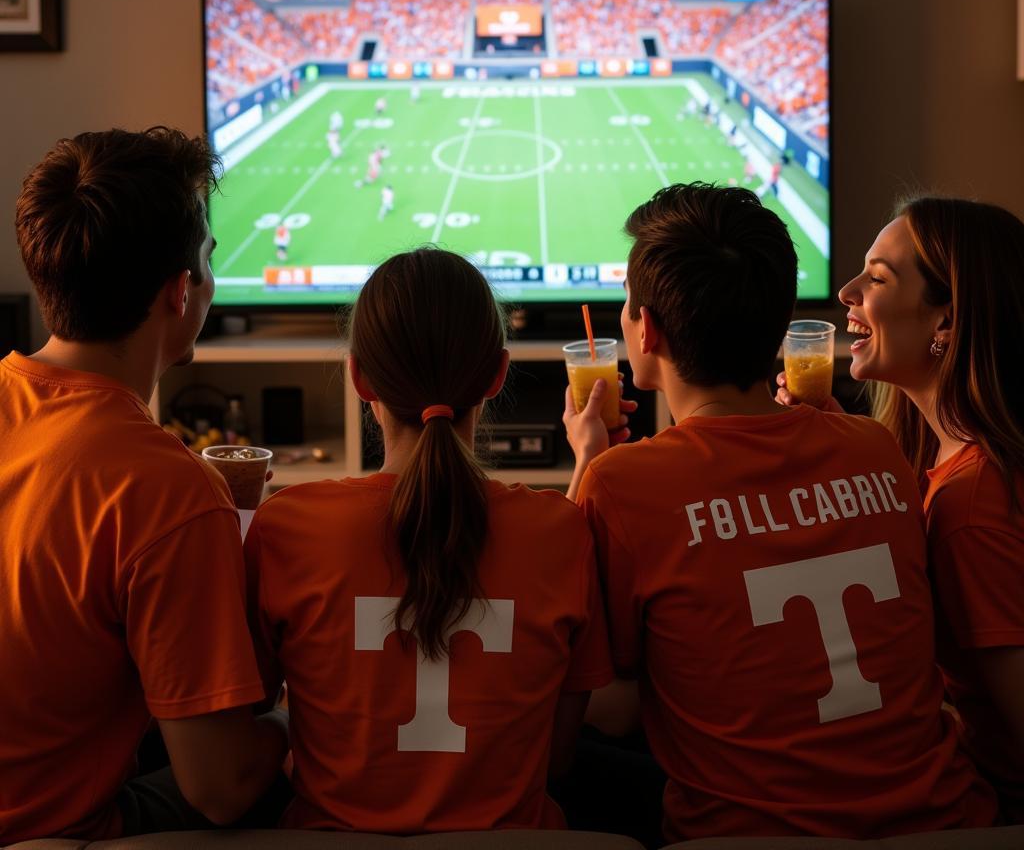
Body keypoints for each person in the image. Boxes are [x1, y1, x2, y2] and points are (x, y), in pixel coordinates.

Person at [564, 183, 996, 842]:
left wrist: (584, 467)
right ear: (780, 320)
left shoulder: (621, 484)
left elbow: (606, 704)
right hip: (939, 824)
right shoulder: (876, 448)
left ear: (645, 331)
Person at [244, 248, 613, 833]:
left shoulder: (287, 525)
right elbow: (557, 757)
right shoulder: (562, 532)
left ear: (359, 377)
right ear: (497, 373)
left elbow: (246, 715)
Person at [0, 127, 288, 843]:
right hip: (47, 830)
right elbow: (220, 788)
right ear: (180, 290)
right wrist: (297, 717)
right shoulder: (166, 487)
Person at [778, 195, 1024, 822]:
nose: (846, 291)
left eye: (878, 278)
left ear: (948, 318)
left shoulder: (972, 499)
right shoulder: (926, 462)